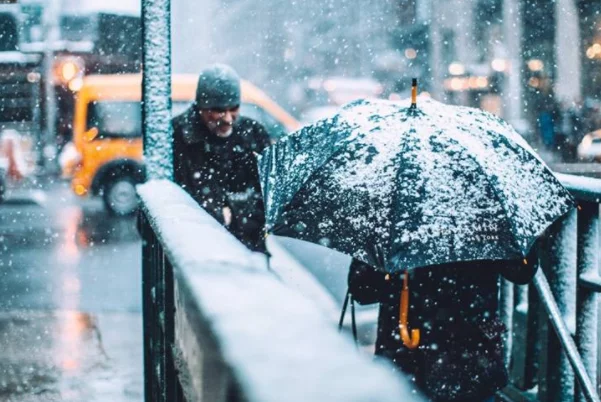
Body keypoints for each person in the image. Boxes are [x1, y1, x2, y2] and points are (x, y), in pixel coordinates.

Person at [348, 256, 537, 402]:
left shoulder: (486, 217)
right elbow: (364, 289)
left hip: (465, 361)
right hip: (422, 357)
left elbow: (521, 271)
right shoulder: (485, 214)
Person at [172, 64, 271, 253]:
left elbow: (269, 196)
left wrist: (234, 212)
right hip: (198, 250)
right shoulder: (176, 137)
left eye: (234, 108)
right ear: (201, 107)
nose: (228, 118)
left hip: (248, 247)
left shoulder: (254, 134)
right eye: (218, 110)